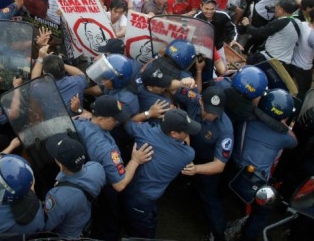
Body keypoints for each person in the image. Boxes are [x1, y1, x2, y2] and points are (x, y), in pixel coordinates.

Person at [73, 96, 153, 241]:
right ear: (101, 119)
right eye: (114, 119)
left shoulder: (79, 122)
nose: (117, 121)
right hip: (104, 188)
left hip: (83, 176)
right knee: (108, 221)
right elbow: (119, 184)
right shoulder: (106, 149)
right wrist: (135, 160)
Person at [230, 89, 298, 241]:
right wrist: (282, 123)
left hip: (233, 169)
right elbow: (294, 142)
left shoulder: (247, 119)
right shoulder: (284, 137)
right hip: (254, 183)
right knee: (262, 213)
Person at [122, 109, 199, 238]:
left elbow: (128, 124)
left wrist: (149, 114)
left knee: (141, 218)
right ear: (173, 133)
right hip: (143, 197)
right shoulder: (187, 154)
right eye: (186, 131)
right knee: (144, 232)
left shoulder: (145, 131)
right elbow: (186, 145)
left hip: (133, 184)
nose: (189, 133)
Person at [178, 86, 234, 241]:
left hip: (206, 162)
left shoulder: (225, 129)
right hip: (187, 150)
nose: (211, 115)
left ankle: (219, 232)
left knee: (209, 197)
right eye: (208, 110)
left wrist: (196, 169)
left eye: (215, 112)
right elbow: (172, 89)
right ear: (201, 101)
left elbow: (219, 165)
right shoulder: (193, 99)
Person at [43, 135, 106, 238]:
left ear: (61, 165)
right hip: (86, 223)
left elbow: (46, 226)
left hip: (67, 236)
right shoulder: (97, 167)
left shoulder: (57, 197)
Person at [241, 0, 301, 65]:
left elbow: (259, 33)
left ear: (281, 10)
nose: (274, 10)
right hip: (285, 61)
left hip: (270, 59)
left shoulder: (280, 22)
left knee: (248, 64)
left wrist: (247, 25)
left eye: (276, 7)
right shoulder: (298, 22)